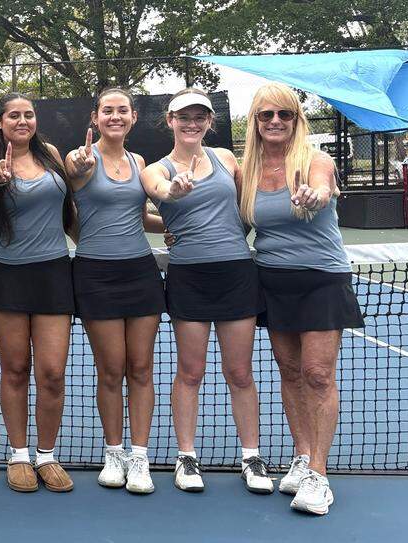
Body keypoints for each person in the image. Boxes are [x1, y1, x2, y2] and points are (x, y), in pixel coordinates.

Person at [239, 82, 363, 516]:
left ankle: (319, 474)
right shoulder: (246, 172)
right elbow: (235, 226)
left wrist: (314, 196)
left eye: (285, 115)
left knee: (316, 374)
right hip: (273, 281)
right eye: (267, 115)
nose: (275, 122)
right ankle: (302, 454)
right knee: (290, 371)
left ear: (296, 120)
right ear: (255, 121)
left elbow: (321, 189)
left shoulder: (316, 162)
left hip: (321, 280)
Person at [139, 89, 272, 494]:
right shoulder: (155, 169)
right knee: (191, 371)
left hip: (236, 273)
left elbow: (247, 204)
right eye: (184, 117)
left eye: (200, 116)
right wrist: (173, 198)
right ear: (170, 121)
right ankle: (186, 457)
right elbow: (156, 198)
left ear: (209, 122)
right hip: (188, 277)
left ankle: (251, 457)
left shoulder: (227, 159)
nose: (192, 123)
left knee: (240, 372)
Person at [0, 93, 74, 493]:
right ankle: (18, 454)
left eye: (28, 115)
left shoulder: (51, 155)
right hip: (6, 276)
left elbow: (69, 216)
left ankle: (46, 455)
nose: (22, 120)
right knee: (15, 369)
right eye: (14, 115)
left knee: (53, 372)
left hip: (52, 273)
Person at [64, 88, 166, 494]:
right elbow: (71, 189)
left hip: (140, 271)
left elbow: (141, 217)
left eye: (122, 110)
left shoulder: (139, 162)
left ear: (133, 117)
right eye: (108, 111)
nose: (115, 117)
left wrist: (175, 227)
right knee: (111, 368)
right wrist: (78, 168)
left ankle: (138, 456)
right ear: (95, 117)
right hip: (95, 274)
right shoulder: (81, 157)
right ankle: (114, 452)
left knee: (140, 368)